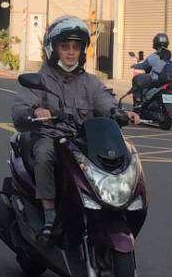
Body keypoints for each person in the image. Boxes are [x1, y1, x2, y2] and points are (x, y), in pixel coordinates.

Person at [12, 16, 135, 240]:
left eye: (76, 47)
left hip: (83, 140)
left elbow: (105, 101)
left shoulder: (90, 81)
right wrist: (36, 110)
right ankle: (49, 215)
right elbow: (21, 107)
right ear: (53, 49)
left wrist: (120, 113)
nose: (70, 52)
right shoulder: (41, 79)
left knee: (121, 153)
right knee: (44, 153)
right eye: (65, 46)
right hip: (51, 137)